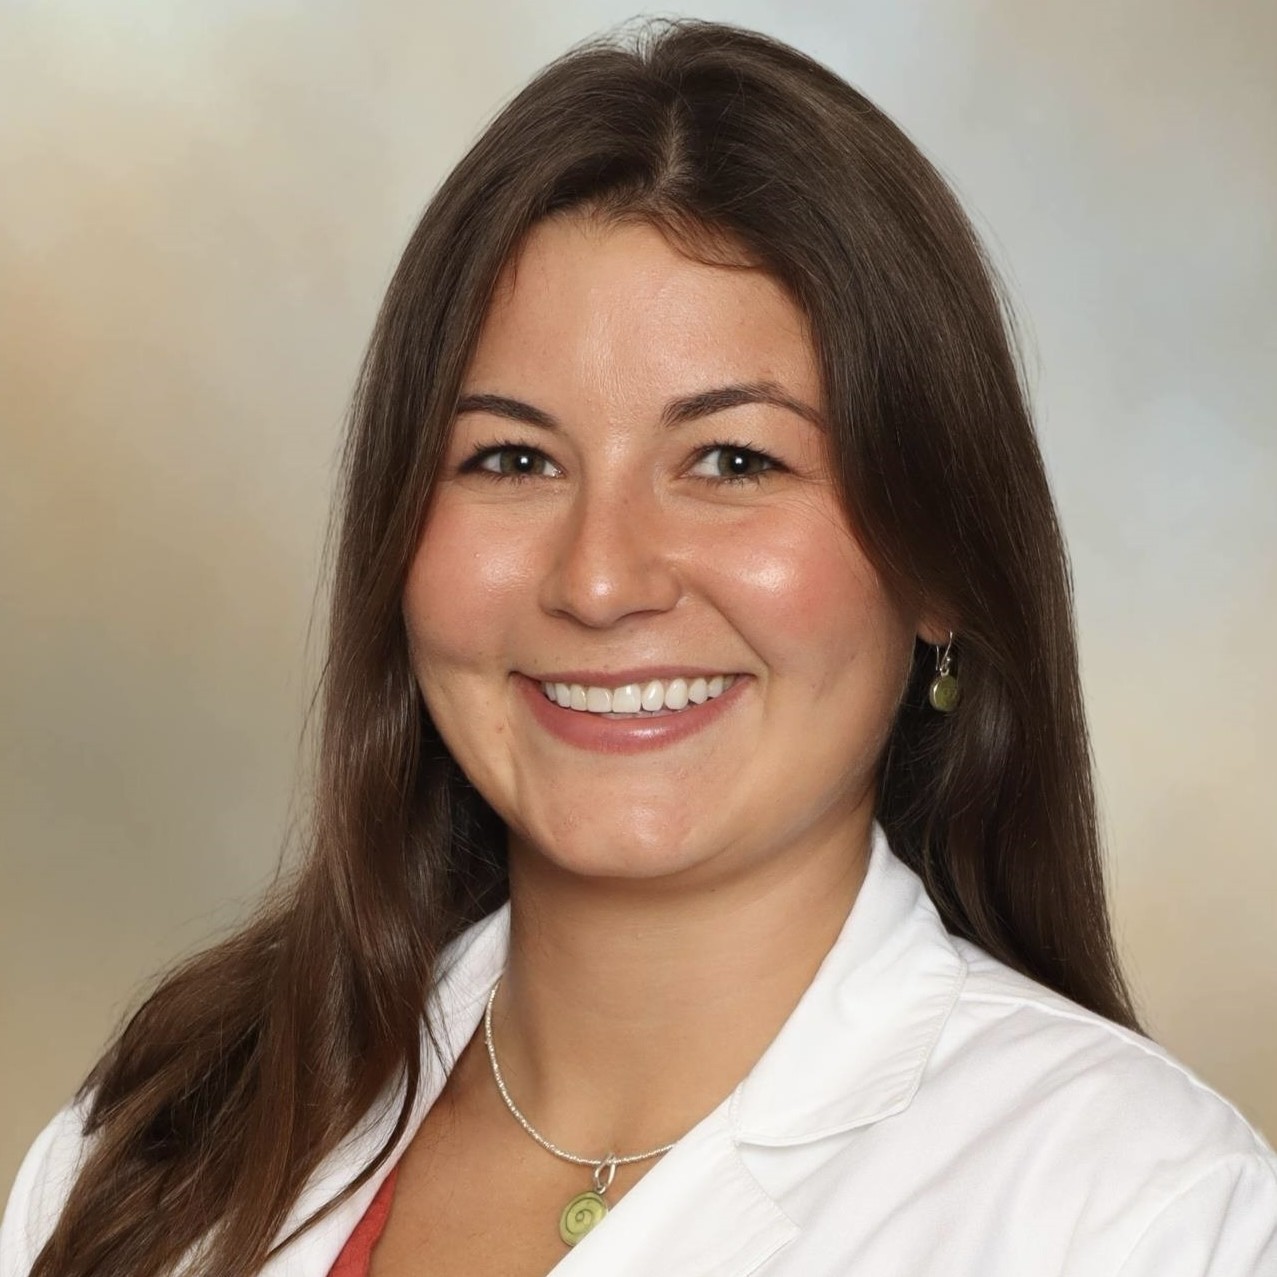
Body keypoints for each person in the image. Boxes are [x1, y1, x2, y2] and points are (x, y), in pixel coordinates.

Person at [3, 15, 1275, 1277]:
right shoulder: (154, 1150)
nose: (600, 578)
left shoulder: (1138, 1212)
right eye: (511, 457)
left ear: (936, 562)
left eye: (732, 460)